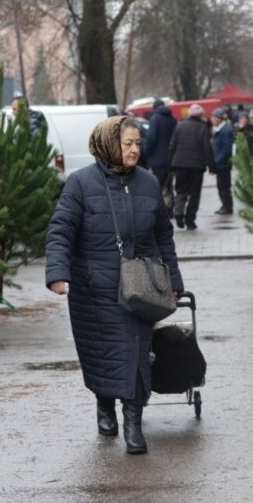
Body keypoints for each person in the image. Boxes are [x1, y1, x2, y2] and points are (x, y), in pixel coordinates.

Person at [45, 116, 184, 455]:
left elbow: (163, 236)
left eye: (138, 143)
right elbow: (61, 231)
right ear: (109, 145)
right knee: (102, 355)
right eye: (128, 144)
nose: (135, 150)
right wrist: (57, 274)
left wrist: (174, 282)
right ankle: (104, 403)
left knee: (136, 354)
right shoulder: (80, 184)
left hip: (140, 288)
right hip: (95, 289)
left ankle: (133, 424)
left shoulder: (149, 183)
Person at [168, 103, 213, 230]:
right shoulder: (202, 127)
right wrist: (212, 166)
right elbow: (207, 148)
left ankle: (178, 212)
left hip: (180, 165)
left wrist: (169, 164)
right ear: (200, 116)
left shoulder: (180, 125)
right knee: (194, 194)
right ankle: (190, 220)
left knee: (181, 190)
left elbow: (172, 145)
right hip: (197, 167)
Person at [143, 97, 177, 212]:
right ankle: (170, 208)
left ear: (154, 108)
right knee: (169, 185)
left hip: (157, 160)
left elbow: (151, 138)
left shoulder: (155, 118)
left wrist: (147, 153)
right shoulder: (172, 119)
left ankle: (162, 211)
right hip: (171, 159)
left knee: (158, 186)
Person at [210, 108, 235, 215]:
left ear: (219, 118)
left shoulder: (225, 131)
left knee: (224, 186)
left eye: (214, 117)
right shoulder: (218, 129)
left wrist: (217, 160)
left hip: (223, 164)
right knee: (221, 186)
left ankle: (227, 206)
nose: (212, 119)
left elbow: (226, 148)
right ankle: (225, 205)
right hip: (220, 164)